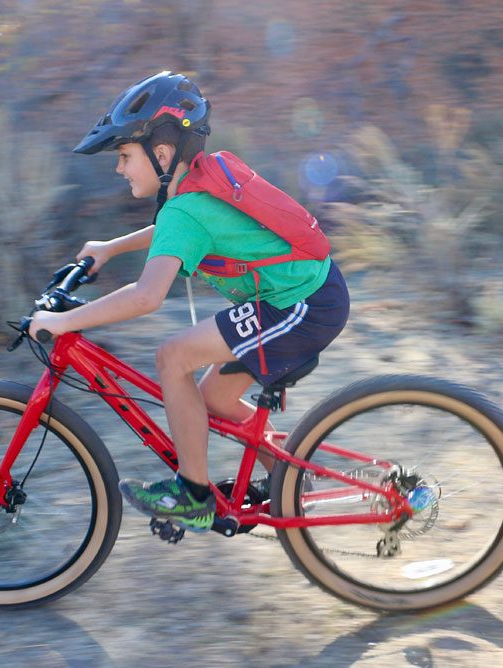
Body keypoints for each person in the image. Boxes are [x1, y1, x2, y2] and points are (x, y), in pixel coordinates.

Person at [29, 71, 349, 533]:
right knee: (213, 397)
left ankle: (193, 496)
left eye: (124, 156)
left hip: (303, 305)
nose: (119, 168)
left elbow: (146, 296)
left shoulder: (184, 208)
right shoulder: (193, 189)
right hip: (299, 293)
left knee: (172, 356)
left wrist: (64, 323)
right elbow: (177, 234)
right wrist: (111, 247)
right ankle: (289, 477)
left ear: (161, 153)